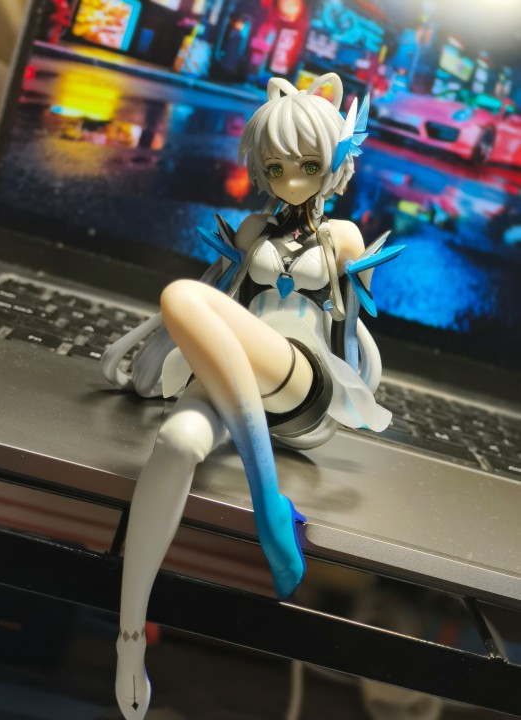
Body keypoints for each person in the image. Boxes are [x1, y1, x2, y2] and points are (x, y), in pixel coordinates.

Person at [101, 71, 401, 720]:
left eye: (309, 165)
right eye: (277, 166)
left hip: (302, 384)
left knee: (182, 296)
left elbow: (346, 325)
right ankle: (128, 641)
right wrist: (142, 345)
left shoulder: (341, 238)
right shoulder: (252, 228)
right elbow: (222, 297)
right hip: (235, 379)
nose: (291, 179)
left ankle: (269, 502)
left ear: (336, 162)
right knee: (178, 441)